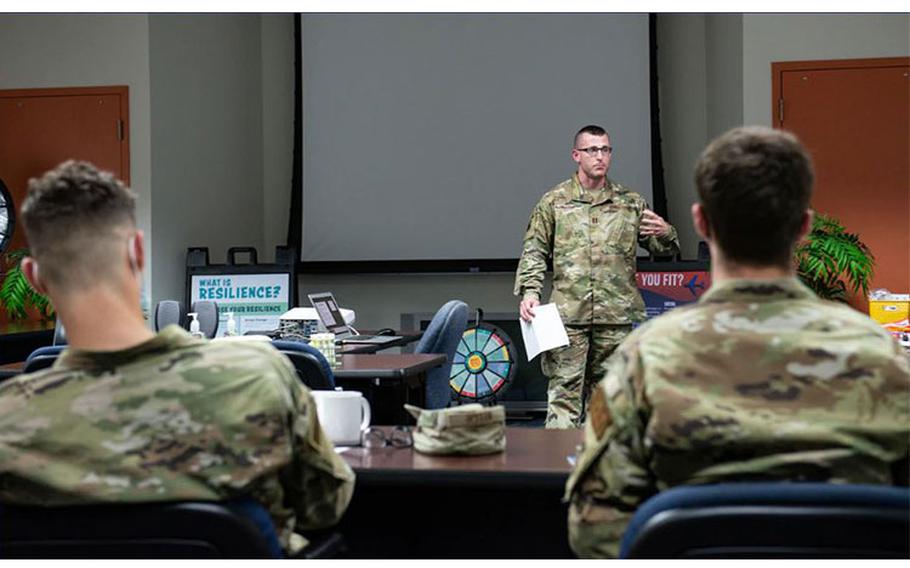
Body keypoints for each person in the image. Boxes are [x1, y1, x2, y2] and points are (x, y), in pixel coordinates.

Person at [564, 126, 910, 558]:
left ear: (702, 222)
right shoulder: (882, 356)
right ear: (804, 226)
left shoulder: (645, 359)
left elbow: (594, 528)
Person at [0, 161, 355, 556]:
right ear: (137, 250)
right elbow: (324, 506)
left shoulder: (7, 420)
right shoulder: (256, 376)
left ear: (34, 276)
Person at [515, 124, 679, 429]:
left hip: (615, 317)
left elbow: (662, 246)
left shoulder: (629, 202)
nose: (600, 156)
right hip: (568, 317)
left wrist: (667, 233)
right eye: (592, 150)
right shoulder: (554, 202)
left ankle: (601, 468)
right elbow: (534, 250)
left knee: (610, 399)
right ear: (576, 155)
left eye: (605, 149)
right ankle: (556, 471)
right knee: (564, 395)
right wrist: (530, 291)